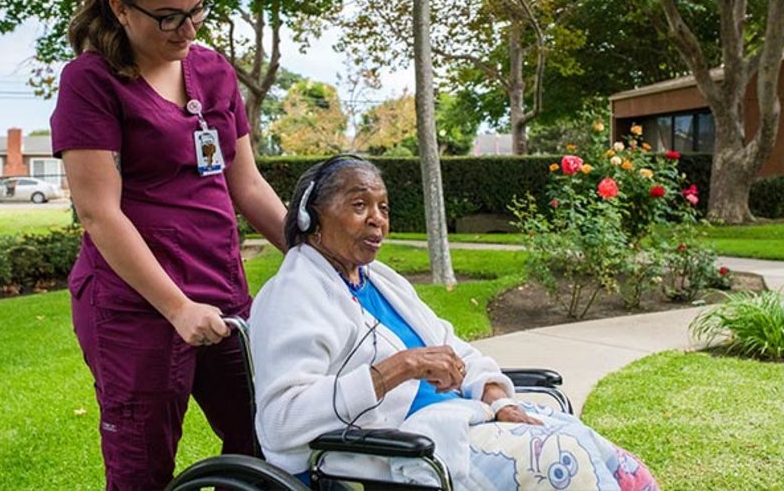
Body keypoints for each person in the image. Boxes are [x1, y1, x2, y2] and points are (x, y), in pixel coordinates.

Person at [249, 156, 659, 490]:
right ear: (310, 217)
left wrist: (499, 398)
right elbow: (282, 420)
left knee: (607, 456)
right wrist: (400, 368)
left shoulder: (381, 281)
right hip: (396, 456)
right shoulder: (294, 294)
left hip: (461, 420)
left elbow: (451, 346)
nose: (378, 220)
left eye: (383, 207)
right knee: (563, 460)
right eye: (360, 206)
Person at [50, 0, 286, 490]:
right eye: (168, 16)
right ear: (120, 9)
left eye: (197, 8)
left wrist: (320, 256)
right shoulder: (90, 82)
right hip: (135, 309)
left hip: (223, 296)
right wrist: (177, 307)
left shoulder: (215, 73)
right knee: (143, 472)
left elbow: (246, 184)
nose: (189, 28)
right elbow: (100, 214)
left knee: (270, 441)